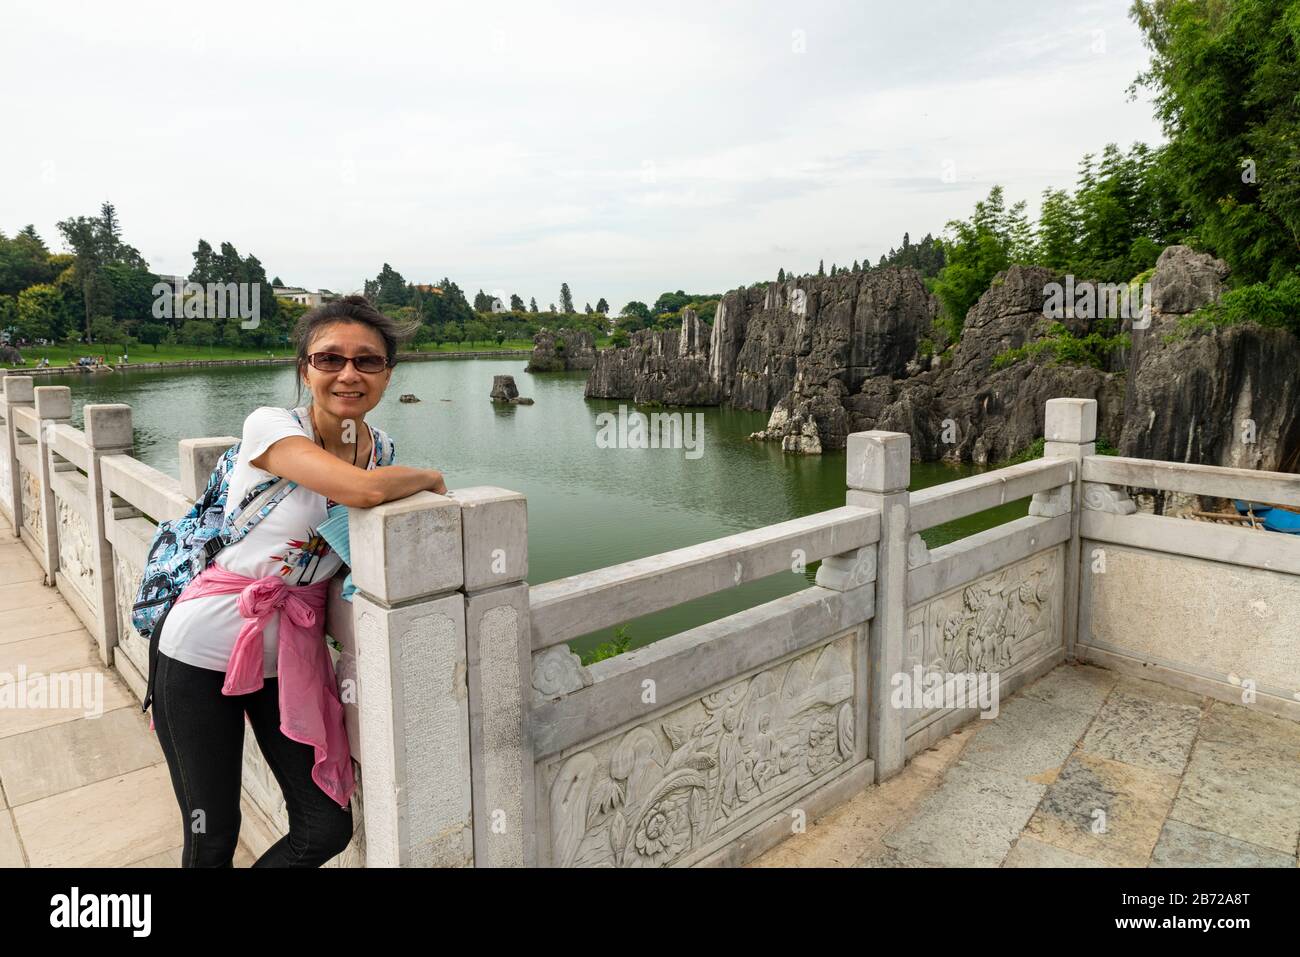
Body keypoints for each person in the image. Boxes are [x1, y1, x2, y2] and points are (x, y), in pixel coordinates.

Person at [148, 295, 446, 867]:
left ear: (388, 374)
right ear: (305, 369)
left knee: (324, 827)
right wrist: (431, 476)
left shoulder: (379, 449)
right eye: (330, 359)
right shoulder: (271, 427)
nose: (349, 374)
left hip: (288, 660)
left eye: (368, 361)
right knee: (211, 836)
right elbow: (359, 493)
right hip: (196, 652)